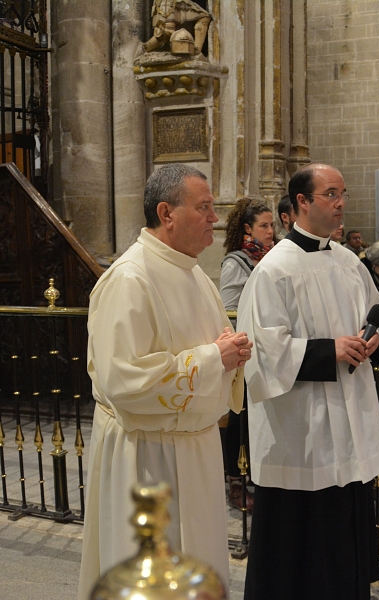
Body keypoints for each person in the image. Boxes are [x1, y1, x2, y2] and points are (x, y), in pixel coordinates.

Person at [78, 164, 253, 600]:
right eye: (205, 207)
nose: (216, 217)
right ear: (166, 212)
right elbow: (126, 381)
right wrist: (216, 357)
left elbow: (209, 346)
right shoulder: (129, 278)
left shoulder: (193, 272)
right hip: (148, 455)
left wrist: (230, 352)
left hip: (195, 449)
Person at [237, 163, 379, 600]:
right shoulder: (273, 270)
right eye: (330, 194)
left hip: (347, 418)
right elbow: (264, 348)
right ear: (301, 203)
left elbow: (377, 320)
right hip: (301, 427)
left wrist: (370, 344)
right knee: (299, 540)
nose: (341, 202)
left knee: (343, 528)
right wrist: (330, 351)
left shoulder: (351, 263)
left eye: (342, 192)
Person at [220, 198, 274, 510]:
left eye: (272, 226)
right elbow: (229, 309)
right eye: (264, 226)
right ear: (247, 229)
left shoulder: (270, 257)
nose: (270, 231)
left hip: (267, 351)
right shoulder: (236, 263)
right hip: (246, 352)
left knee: (260, 421)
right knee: (240, 422)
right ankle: (236, 485)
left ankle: (259, 478)